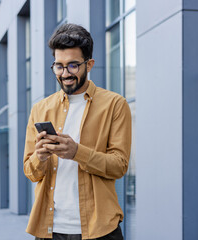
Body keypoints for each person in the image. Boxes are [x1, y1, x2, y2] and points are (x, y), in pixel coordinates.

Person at [23, 23, 132, 240]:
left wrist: (76, 153)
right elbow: (30, 171)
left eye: (73, 65)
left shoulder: (115, 105)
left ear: (89, 64)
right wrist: (40, 157)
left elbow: (119, 166)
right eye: (59, 66)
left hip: (100, 229)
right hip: (50, 230)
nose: (65, 74)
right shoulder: (40, 108)